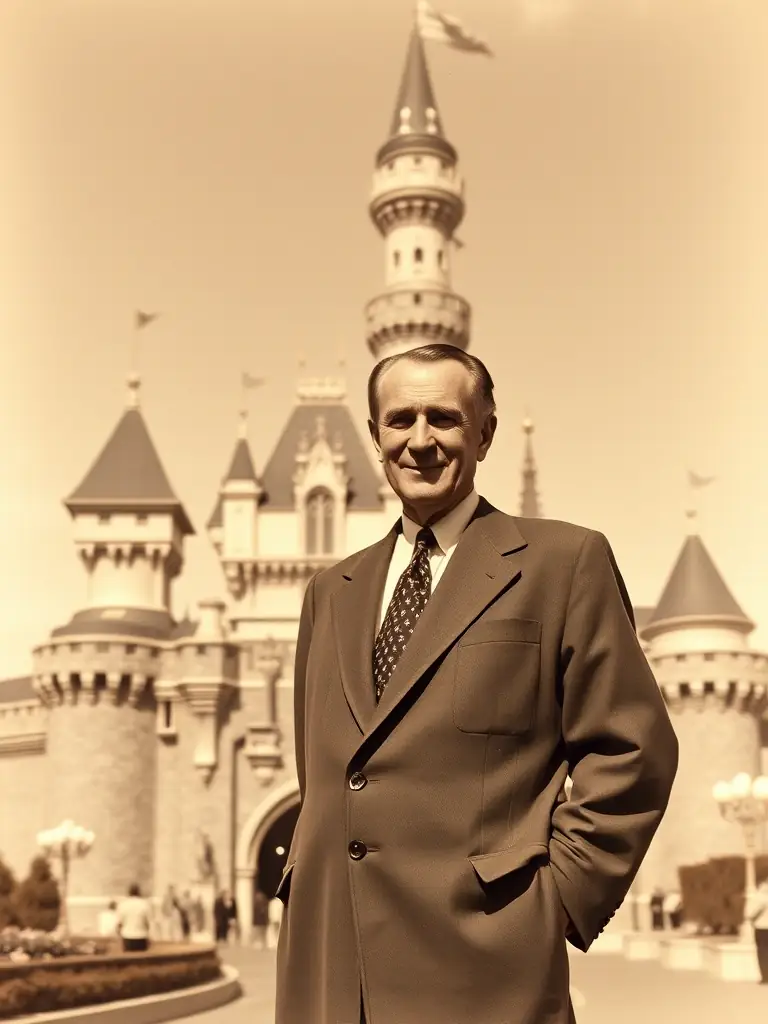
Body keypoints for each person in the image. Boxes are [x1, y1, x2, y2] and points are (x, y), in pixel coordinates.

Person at [274, 344, 679, 1024]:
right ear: (375, 439)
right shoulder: (329, 592)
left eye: (444, 418)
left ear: (485, 432)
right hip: (330, 974)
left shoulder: (563, 563)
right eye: (400, 420)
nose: (420, 440)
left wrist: (552, 904)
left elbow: (634, 752)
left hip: (488, 973)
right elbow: (327, 776)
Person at [116, 883, 152, 953]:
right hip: (142, 936)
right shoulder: (145, 904)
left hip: (127, 936)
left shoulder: (123, 904)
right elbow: (149, 923)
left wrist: (118, 935)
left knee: (128, 960)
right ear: (139, 892)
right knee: (141, 961)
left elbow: (119, 923)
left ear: (129, 892)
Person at [747, 879, 768, 983]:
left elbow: (749, 913)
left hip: (762, 927)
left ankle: (765, 977)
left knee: (763, 952)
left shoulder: (760, 897)